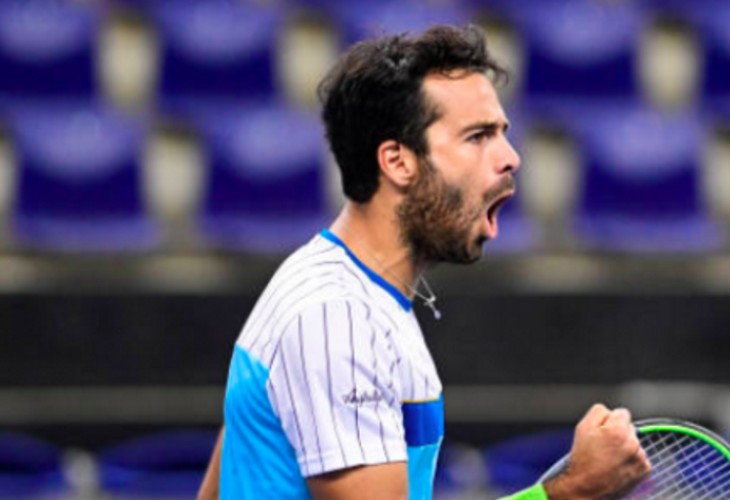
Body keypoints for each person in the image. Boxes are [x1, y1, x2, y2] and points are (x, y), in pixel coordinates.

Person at [197, 25, 650, 499]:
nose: (511, 158)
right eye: (478, 136)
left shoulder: (342, 292)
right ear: (397, 162)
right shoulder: (335, 317)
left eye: (503, 134)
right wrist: (572, 490)